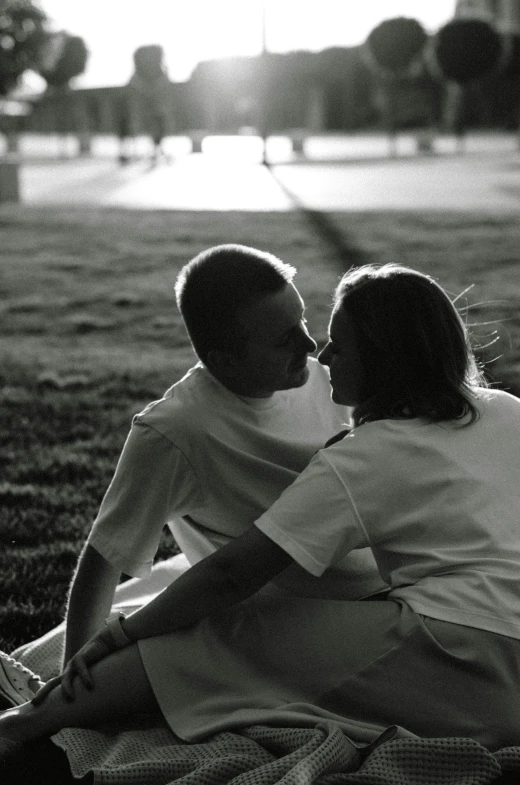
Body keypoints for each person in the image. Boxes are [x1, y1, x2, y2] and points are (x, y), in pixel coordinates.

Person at [2, 261, 520, 764]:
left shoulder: (363, 453)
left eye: (339, 342)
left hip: (460, 654)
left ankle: (23, 725)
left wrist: (122, 634)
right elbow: (112, 557)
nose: (321, 350)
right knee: (211, 611)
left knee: (217, 638)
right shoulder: (505, 408)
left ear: (384, 360)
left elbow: (230, 575)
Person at [4, 244, 385, 703]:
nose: (311, 347)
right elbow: (105, 556)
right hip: (292, 617)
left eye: (303, 320)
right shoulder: (176, 432)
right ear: (223, 361)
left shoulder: (329, 377)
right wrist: (70, 682)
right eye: (284, 338)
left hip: (393, 587)